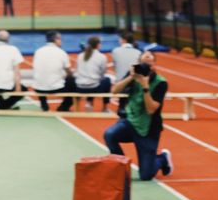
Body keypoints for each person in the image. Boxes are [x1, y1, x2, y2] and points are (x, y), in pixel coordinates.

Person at [104, 52, 172, 180]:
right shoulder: (134, 75)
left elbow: (151, 109)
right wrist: (131, 77)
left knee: (146, 176)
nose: (147, 64)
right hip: (130, 123)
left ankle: (162, 159)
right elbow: (114, 91)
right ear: (139, 63)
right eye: (144, 61)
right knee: (110, 134)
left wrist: (145, 86)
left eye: (150, 60)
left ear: (154, 65)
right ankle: (122, 167)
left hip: (149, 130)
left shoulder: (161, 83)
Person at [31, 31, 73, 113]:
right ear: (56, 40)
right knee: (72, 82)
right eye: (60, 39)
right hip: (56, 88)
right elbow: (69, 72)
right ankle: (64, 107)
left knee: (41, 78)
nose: (61, 41)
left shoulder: (38, 51)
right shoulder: (61, 53)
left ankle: (44, 104)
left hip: (38, 88)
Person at [72, 35, 110, 110]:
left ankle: (89, 103)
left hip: (80, 87)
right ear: (98, 45)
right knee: (106, 80)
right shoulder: (102, 57)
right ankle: (105, 108)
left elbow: (76, 71)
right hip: (94, 88)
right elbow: (102, 73)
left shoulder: (80, 55)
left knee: (91, 81)